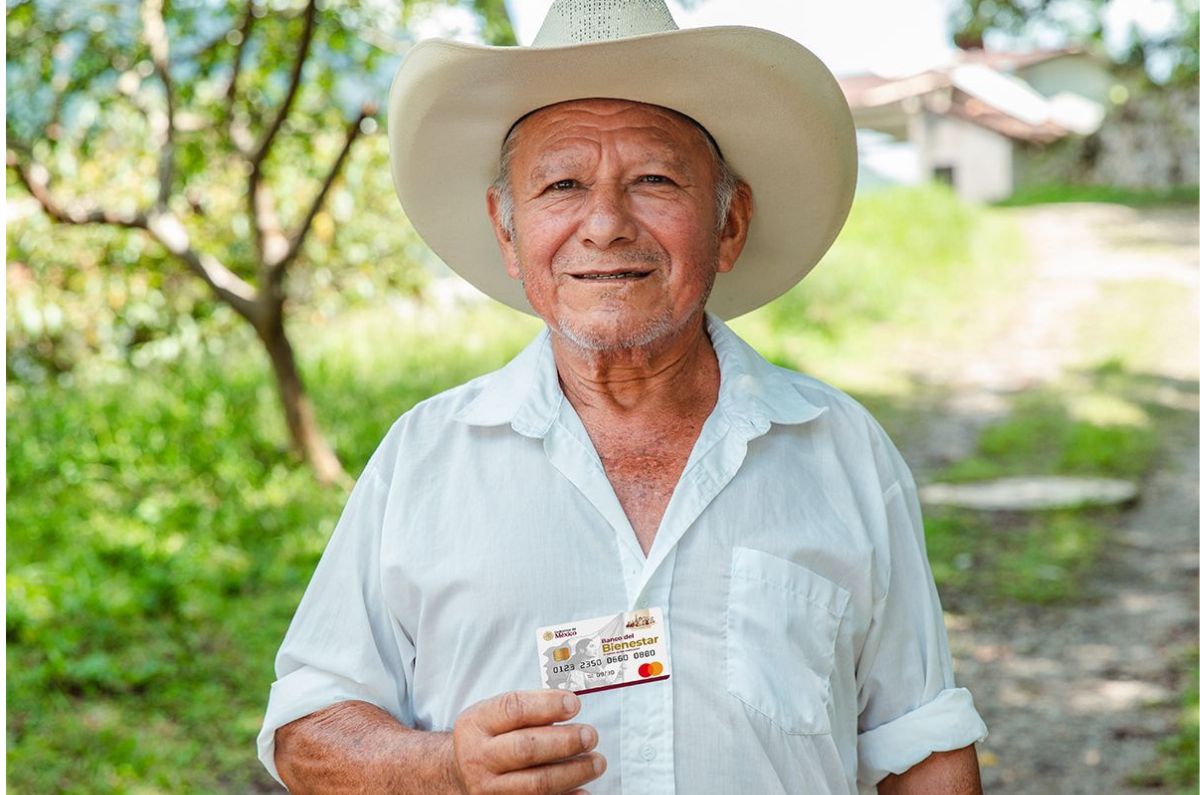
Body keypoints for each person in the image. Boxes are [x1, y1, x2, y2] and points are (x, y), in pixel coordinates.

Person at [257, 2, 989, 793]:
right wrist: (446, 767)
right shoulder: (426, 456)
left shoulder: (839, 448)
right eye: (563, 184)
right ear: (508, 231)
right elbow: (308, 728)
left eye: (653, 180)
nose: (604, 224)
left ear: (729, 223)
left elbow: (924, 746)